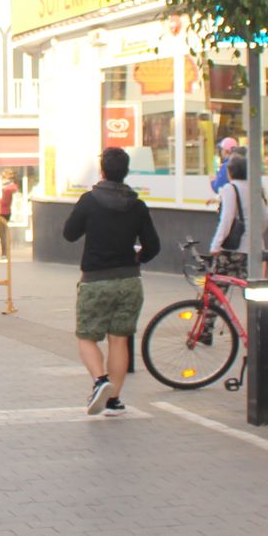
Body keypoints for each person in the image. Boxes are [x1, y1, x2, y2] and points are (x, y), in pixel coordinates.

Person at [62, 147, 161, 416]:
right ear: (126, 171)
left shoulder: (89, 201)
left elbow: (69, 234)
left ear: (102, 170)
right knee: (119, 340)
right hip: (129, 280)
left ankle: (100, 380)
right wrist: (138, 259)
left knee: (86, 337)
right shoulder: (137, 205)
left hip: (96, 280)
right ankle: (114, 400)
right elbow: (153, 246)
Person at [207, 154, 256, 264]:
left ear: (230, 172)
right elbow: (265, 218)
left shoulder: (230, 188)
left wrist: (215, 244)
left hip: (237, 247)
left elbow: (226, 219)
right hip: (255, 245)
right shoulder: (256, 187)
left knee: (227, 279)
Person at [0, 174, 19, 257]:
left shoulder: (7, 190)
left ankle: (4, 252)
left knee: (2, 233)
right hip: (7, 212)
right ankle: (5, 252)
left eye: (3, 178)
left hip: (4, 212)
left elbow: (5, 202)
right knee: (3, 232)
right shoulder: (10, 188)